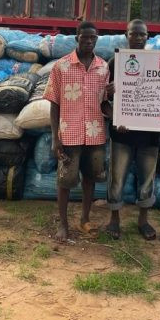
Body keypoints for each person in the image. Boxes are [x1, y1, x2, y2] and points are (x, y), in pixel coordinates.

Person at [44, 21, 109, 242]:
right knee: (65, 180)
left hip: (95, 134)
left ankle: (84, 219)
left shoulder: (103, 67)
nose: (89, 41)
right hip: (69, 133)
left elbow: (105, 103)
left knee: (90, 178)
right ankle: (63, 224)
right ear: (77, 38)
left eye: (93, 38)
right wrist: (56, 137)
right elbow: (54, 103)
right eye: (85, 37)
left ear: (96, 39)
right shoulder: (61, 66)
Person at [102, 19, 159, 241]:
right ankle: (114, 219)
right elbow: (102, 100)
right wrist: (112, 113)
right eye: (133, 34)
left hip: (150, 134)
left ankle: (143, 220)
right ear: (126, 35)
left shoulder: (158, 62)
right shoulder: (115, 62)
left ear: (148, 36)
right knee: (116, 177)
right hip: (122, 133)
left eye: (142, 34)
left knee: (147, 179)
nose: (138, 38)